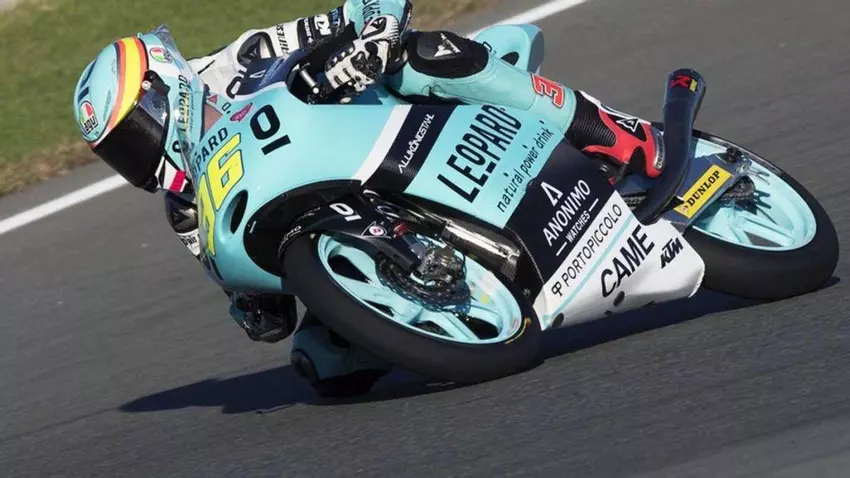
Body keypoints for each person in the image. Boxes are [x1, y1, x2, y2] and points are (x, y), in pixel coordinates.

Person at [72, 0, 664, 396]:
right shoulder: (186, 207)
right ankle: (447, 300)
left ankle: (616, 134)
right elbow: (267, 317)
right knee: (323, 365)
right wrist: (251, 305)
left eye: (133, 133)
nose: (136, 157)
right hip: (345, 218)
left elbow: (367, 9)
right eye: (118, 153)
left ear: (163, 87)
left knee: (422, 54)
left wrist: (370, 41)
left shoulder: (242, 60)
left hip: (402, 129)